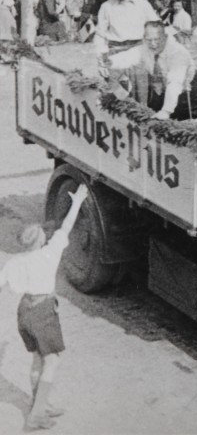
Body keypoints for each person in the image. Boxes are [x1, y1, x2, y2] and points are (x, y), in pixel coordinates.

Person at [0, 183, 89, 430]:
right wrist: (78, 201)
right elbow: (67, 226)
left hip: (24, 311)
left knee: (38, 358)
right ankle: (38, 413)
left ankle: (41, 403)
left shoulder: (14, 263)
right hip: (43, 311)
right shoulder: (49, 254)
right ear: (40, 240)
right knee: (53, 360)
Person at [105, 21, 197, 120]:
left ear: (165, 37)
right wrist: (107, 63)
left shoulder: (178, 53)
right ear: (144, 38)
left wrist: (166, 111)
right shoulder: (145, 48)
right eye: (149, 40)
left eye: (157, 40)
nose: (153, 44)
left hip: (189, 95)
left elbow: (175, 82)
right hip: (161, 93)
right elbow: (127, 57)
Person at [95, 0, 159, 55]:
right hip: (115, 47)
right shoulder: (107, 6)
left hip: (138, 46)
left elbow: (154, 24)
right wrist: (100, 50)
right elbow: (100, 31)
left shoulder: (142, 3)